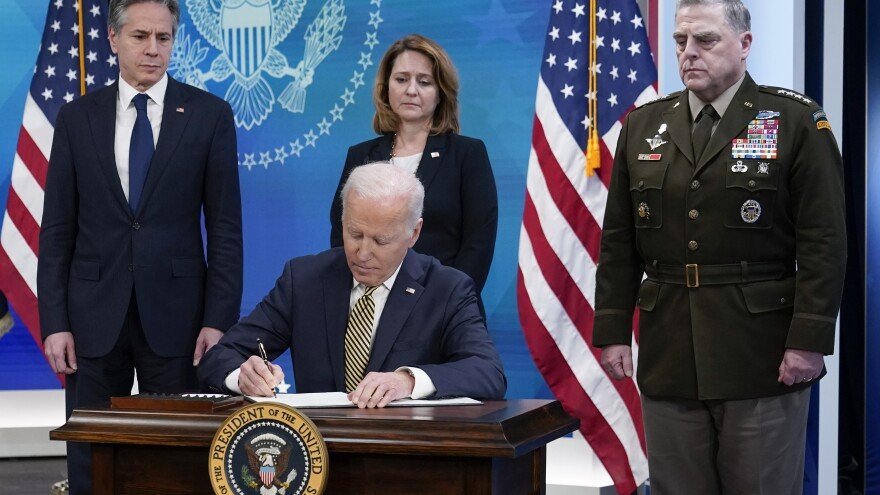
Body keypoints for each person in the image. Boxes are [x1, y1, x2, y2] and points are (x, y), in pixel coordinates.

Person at [592, 1, 846, 493]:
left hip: (760, 352)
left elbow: (824, 242)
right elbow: (620, 240)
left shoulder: (794, 120)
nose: (689, 52)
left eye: (705, 40)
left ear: (744, 44)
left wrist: (810, 339)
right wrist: (613, 329)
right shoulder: (644, 125)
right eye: (680, 41)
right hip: (669, 351)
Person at [37, 1, 242, 493]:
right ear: (113, 39)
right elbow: (57, 229)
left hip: (178, 319)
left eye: (163, 38)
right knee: (90, 457)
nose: (153, 49)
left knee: (175, 457)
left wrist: (218, 320)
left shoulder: (209, 115)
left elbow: (226, 229)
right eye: (140, 36)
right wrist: (55, 322)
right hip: (91, 317)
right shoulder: (76, 118)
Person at [200, 162, 506, 407]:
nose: (362, 253)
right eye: (354, 234)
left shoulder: (447, 289)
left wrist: (408, 381)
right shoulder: (304, 279)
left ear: (413, 233)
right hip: (318, 448)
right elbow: (219, 357)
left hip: (405, 451)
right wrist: (243, 376)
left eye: (380, 241)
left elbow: (487, 372)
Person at [329, 34, 497, 294]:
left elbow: (478, 244)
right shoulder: (360, 155)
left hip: (443, 305)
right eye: (401, 79)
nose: (411, 90)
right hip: (370, 302)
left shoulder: (467, 154)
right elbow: (342, 235)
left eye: (424, 81)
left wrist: (450, 303)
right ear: (386, 87)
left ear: (440, 93)